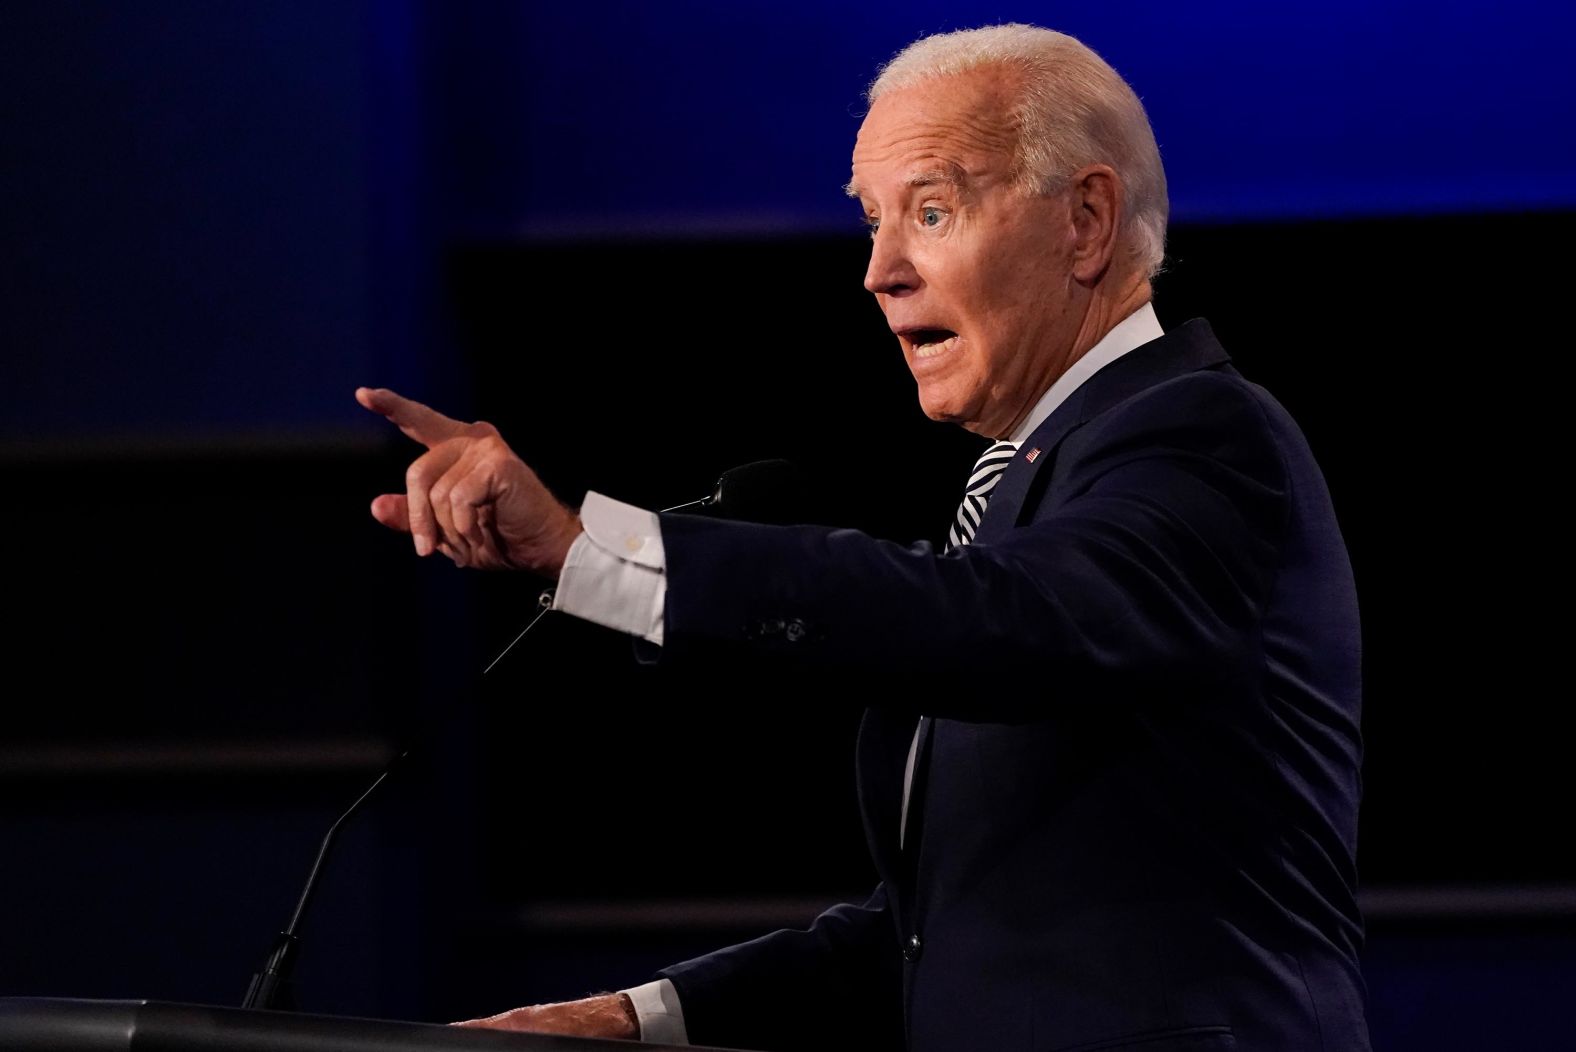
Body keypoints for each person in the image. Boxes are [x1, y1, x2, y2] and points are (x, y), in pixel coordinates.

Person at [358, 24, 1369, 1052]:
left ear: (1085, 221)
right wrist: (638, 1017)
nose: (879, 269)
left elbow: (994, 616)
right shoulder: (1036, 487)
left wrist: (590, 549)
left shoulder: (1199, 435)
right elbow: (941, 940)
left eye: (931, 211)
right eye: (873, 221)